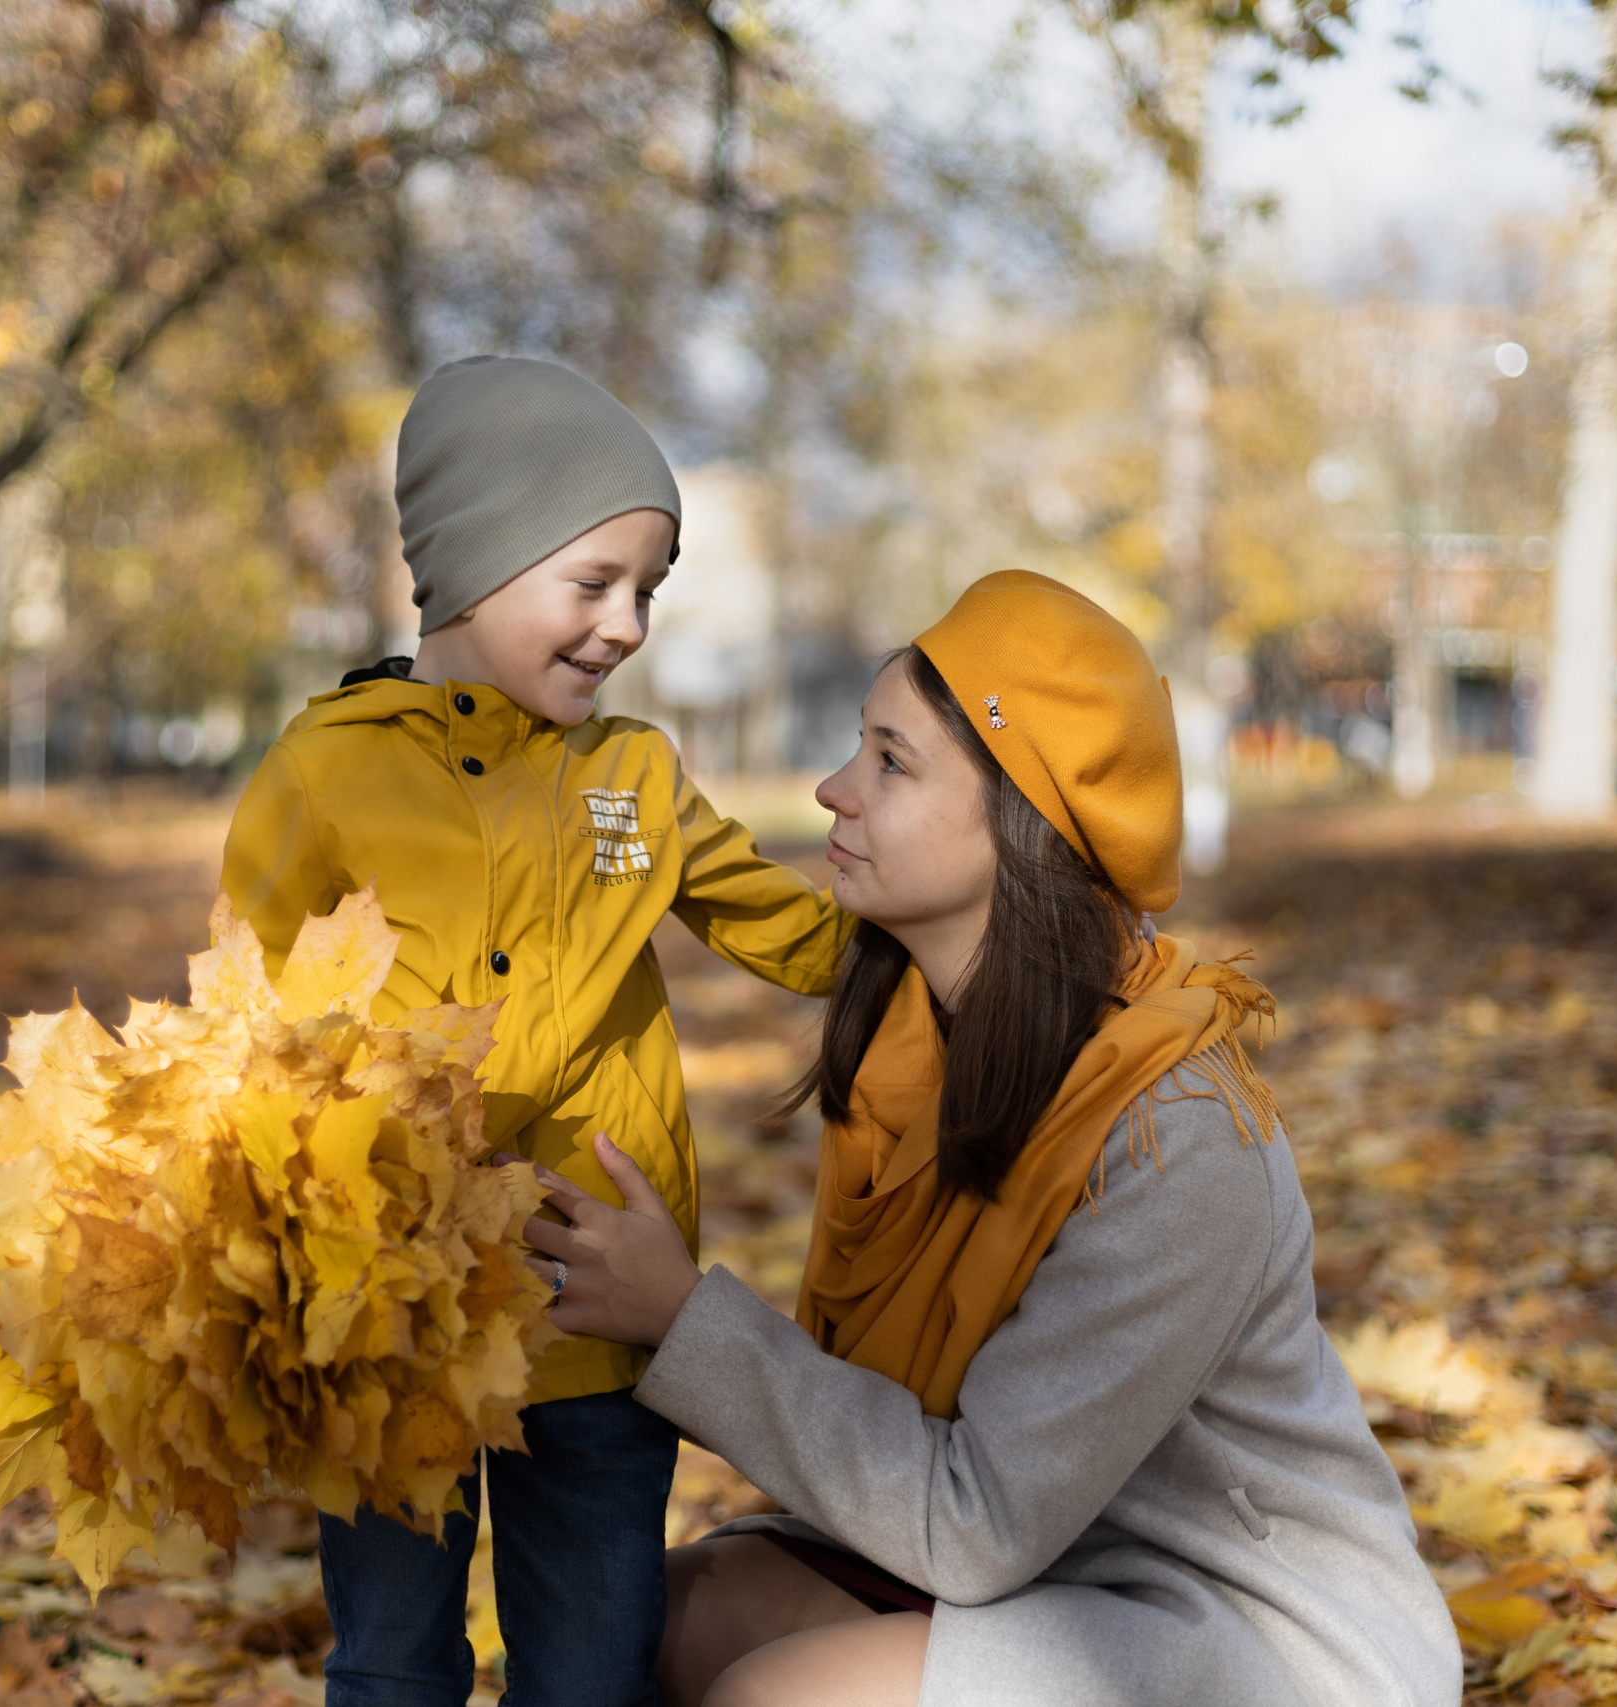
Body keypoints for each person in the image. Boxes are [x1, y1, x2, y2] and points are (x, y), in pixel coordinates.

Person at [522, 571, 1465, 1707]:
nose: (832, 790)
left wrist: (679, 1317)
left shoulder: (1174, 1134)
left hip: (1261, 1632)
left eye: (889, 761)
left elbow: (974, 1523)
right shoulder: (910, 1049)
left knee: (775, 1699)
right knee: (650, 1627)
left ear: (1021, 816)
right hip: (1055, 1571)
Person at [221, 356, 851, 1707]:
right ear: (471, 568)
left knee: (592, 1657)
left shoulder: (633, 774)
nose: (626, 624)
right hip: (396, 1303)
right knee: (392, 1653)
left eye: (650, 592)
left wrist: (946, 933)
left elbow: (790, 930)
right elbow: (245, 1002)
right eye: (595, 581)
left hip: (595, 1295)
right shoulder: (327, 767)